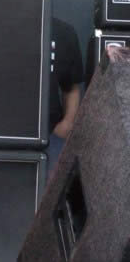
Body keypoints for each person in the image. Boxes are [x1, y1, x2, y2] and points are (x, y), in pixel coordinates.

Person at [46, 17, 83, 178]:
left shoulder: (63, 32)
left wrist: (67, 124)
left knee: (48, 199)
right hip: (3, 136)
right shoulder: (0, 24)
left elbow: (71, 87)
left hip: (50, 137)